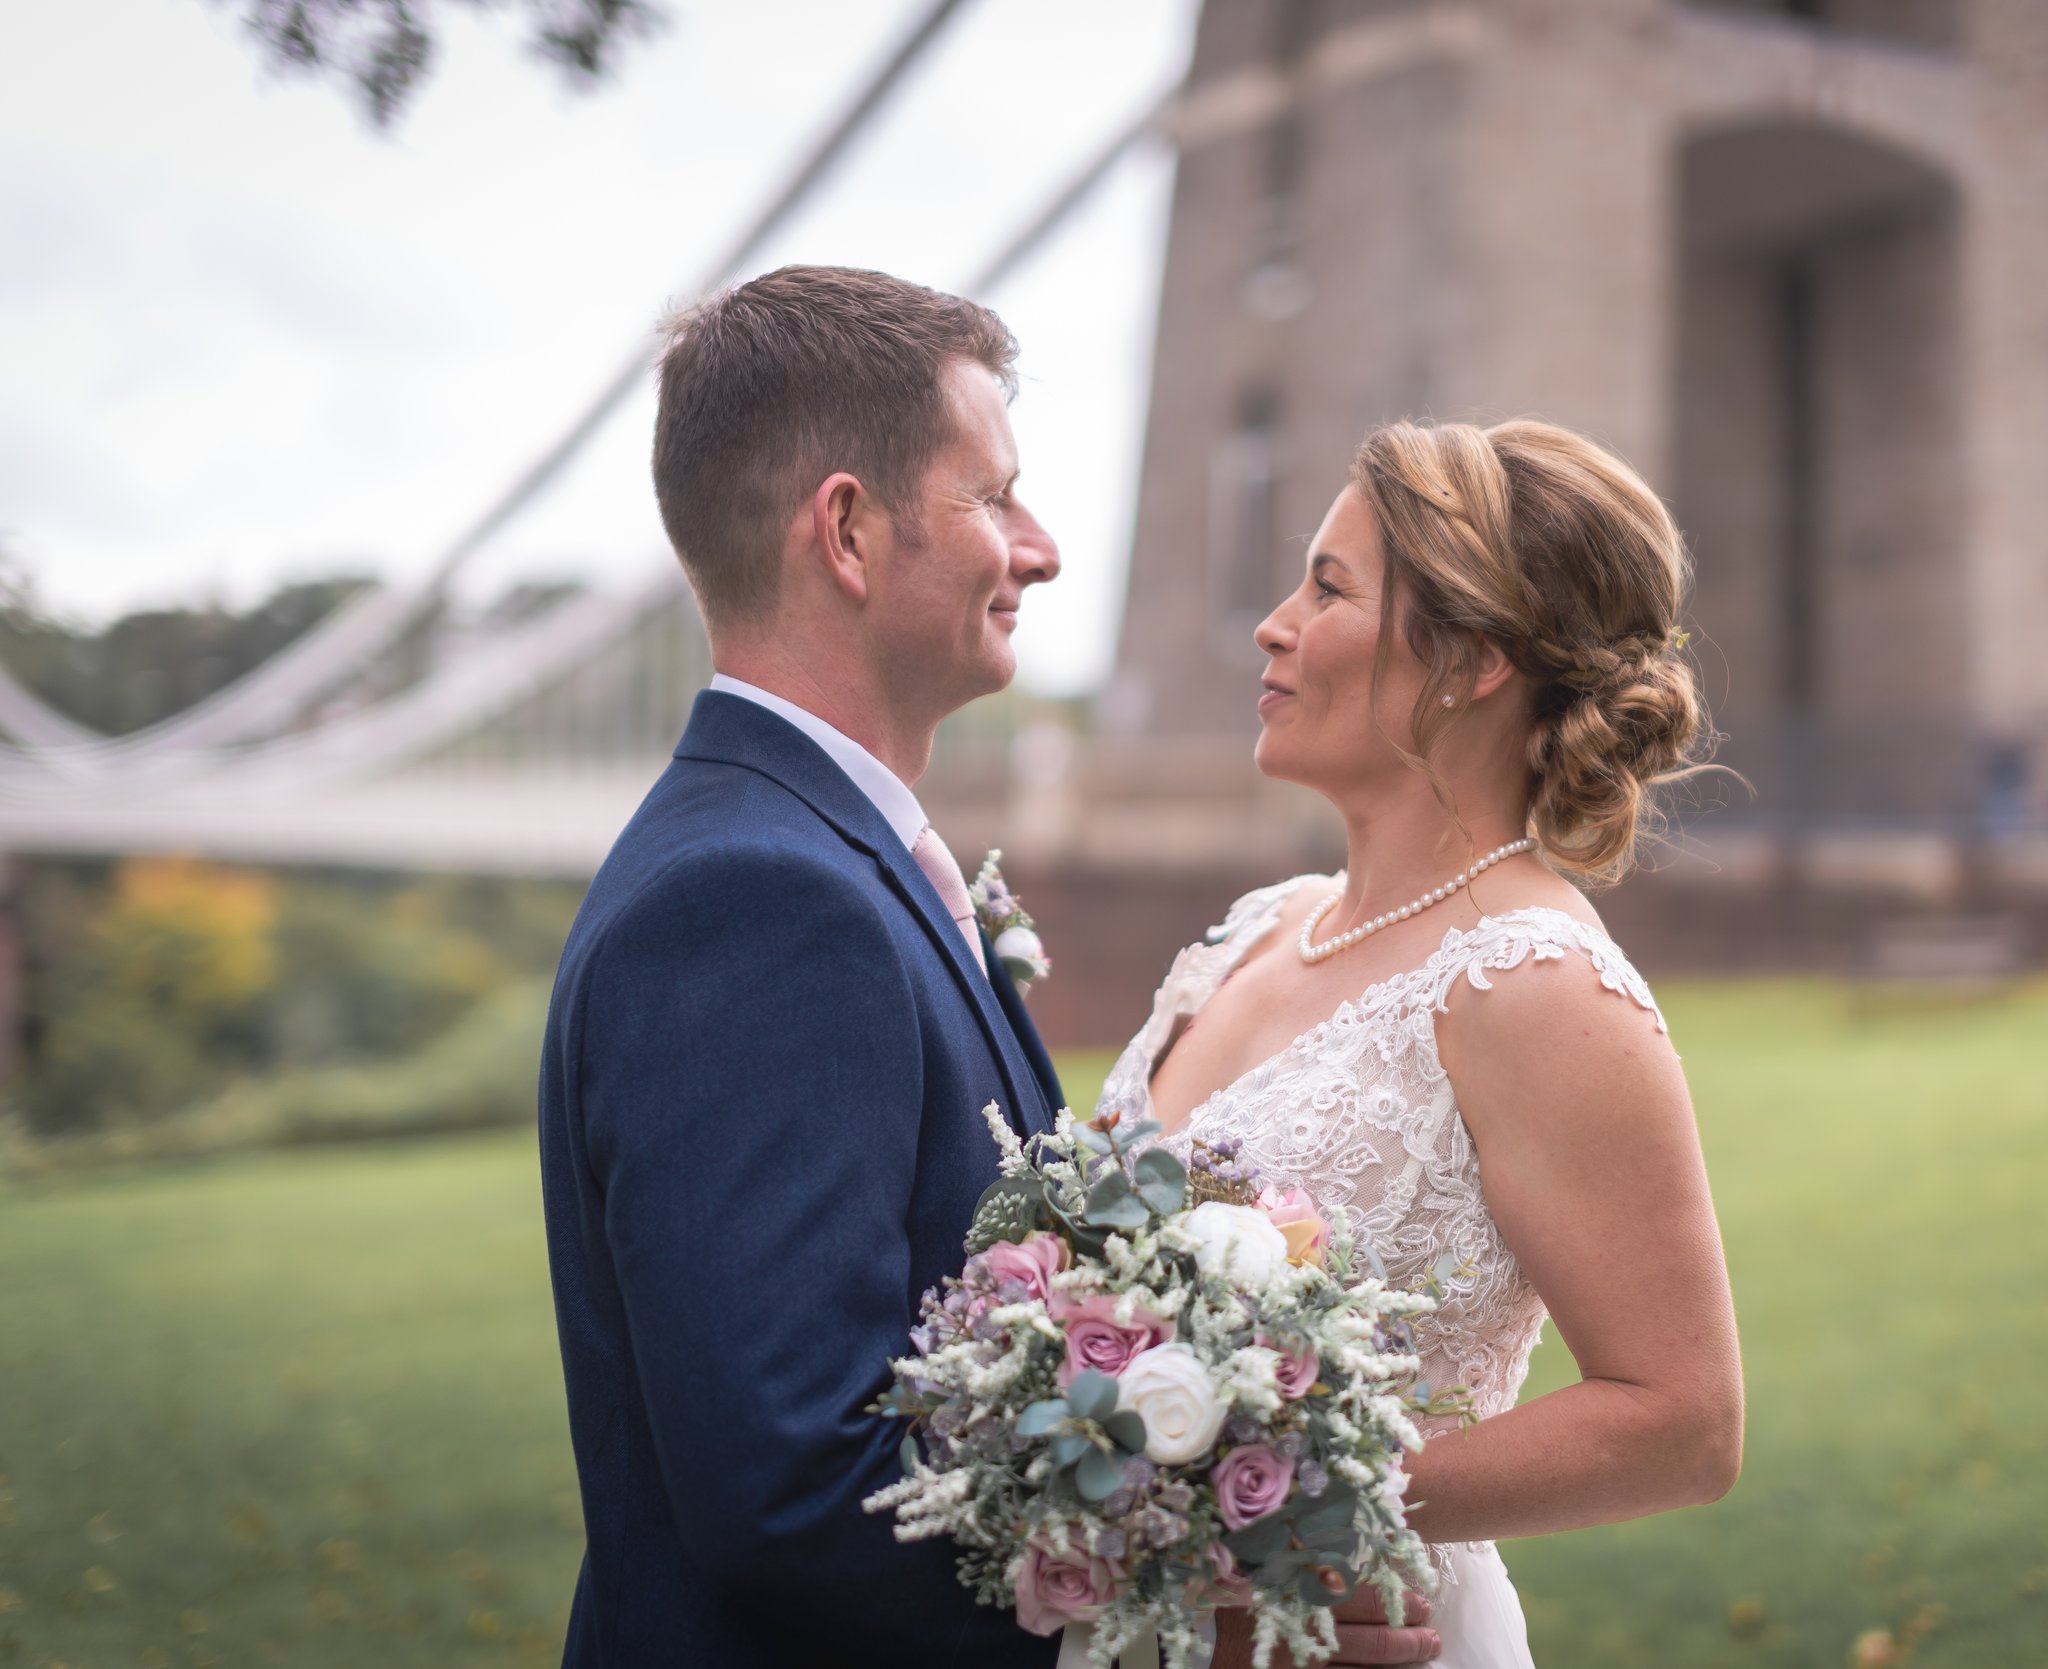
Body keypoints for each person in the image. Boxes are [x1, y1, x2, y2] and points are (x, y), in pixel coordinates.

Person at [538, 264, 1444, 1669]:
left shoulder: (821, 856)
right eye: (994, 496)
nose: (1042, 549)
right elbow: (791, 1488)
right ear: (848, 530)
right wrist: (1189, 1643)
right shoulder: (758, 901)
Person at [1094, 418, 1747, 1668]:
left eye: (1327, 588)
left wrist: (1271, 1522)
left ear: (1474, 658)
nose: (1272, 625)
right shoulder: (1259, 928)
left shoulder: (1538, 985)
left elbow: (1682, 1421)